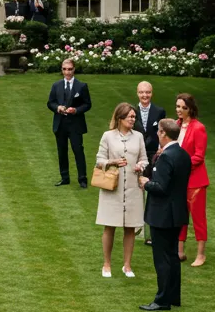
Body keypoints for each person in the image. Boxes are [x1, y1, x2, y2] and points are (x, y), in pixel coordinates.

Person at [138, 119, 192, 311]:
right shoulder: (183, 154)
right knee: (172, 256)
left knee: (162, 258)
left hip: (162, 215)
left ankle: (162, 300)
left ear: (163, 133)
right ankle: (173, 296)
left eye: (159, 132)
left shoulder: (167, 156)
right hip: (177, 213)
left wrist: (145, 183)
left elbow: (160, 187)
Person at [95, 104, 148, 278]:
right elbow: (99, 160)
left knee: (130, 228)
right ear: (120, 118)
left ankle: (127, 265)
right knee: (109, 226)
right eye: (130, 117)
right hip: (113, 188)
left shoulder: (139, 137)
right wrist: (113, 162)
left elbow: (144, 159)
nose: (133, 119)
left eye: (134, 117)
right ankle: (106, 264)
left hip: (133, 187)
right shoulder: (108, 136)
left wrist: (141, 165)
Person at [175, 93, 209, 267]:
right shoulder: (176, 125)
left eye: (183, 107)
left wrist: (182, 164)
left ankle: (201, 254)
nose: (179, 110)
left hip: (195, 180)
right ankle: (179, 251)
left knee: (198, 217)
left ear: (191, 109)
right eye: (178, 107)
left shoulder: (198, 128)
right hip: (179, 180)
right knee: (180, 215)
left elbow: (199, 156)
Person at [47, 57, 92, 188]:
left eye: (70, 69)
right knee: (62, 151)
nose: (67, 72)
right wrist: (57, 108)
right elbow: (50, 103)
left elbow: (87, 104)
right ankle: (64, 177)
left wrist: (76, 110)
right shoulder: (56, 85)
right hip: (60, 123)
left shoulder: (81, 86)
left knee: (78, 150)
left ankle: (82, 179)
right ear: (62, 70)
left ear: (74, 69)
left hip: (75, 124)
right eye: (65, 69)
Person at [134, 82, 166, 243]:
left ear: (152, 93)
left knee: (153, 192)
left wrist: (161, 150)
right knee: (137, 191)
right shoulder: (131, 111)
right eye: (141, 92)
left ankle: (153, 233)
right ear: (137, 93)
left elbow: (162, 133)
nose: (144, 96)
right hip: (137, 156)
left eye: (147, 92)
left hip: (154, 156)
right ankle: (137, 230)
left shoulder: (159, 111)